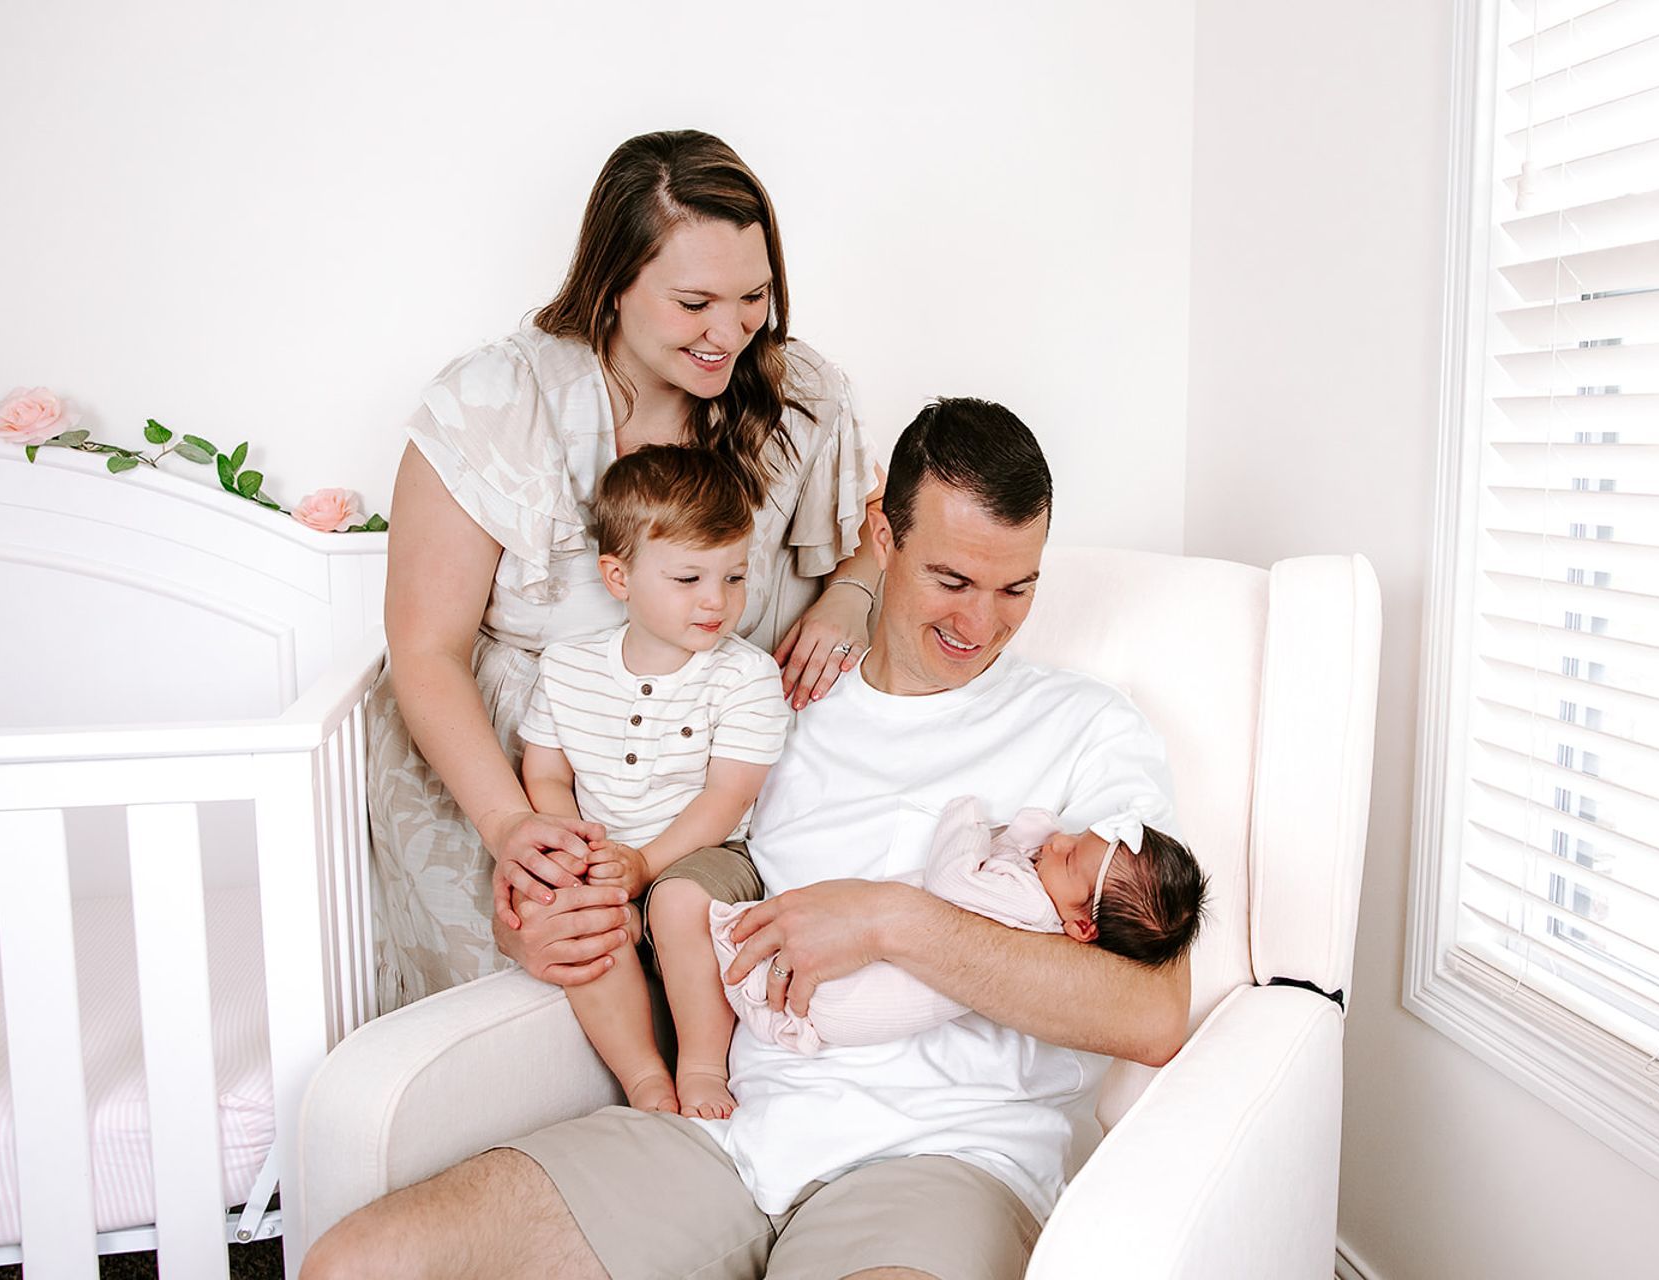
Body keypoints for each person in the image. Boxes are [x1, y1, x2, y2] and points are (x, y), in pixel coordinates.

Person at [306, 399, 1192, 1280]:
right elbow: (646, 877)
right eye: (953, 581)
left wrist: (891, 921)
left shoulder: (1090, 730)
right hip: (727, 1133)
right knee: (356, 1264)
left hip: (946, 1162)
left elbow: (1149, 1015)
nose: (982, 624)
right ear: (883, 538)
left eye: (1018, 590)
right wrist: (542, 922)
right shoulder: (760, 706)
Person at [367, 130, 884, 1012]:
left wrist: (849, 594)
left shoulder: (799, 396)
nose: (731, 332)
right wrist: (513, 826)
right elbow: (424, 650)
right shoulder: (496, 404)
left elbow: (870, 538)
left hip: (713, 790)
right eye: (694, 303)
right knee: (556, 993)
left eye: (755, 295)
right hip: (525, 781)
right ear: (612, 286)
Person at [520, 446, 789, 1119]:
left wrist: (647, 862)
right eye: (690, 578)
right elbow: (547, 771)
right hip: (609, 854)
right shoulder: (568, 667)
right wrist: (576, 846)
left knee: (676, 905)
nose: (717, 601)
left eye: (734, 577)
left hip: (706, 857)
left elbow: (728, 796)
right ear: (619, 577)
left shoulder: (744, 676)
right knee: (576, 914)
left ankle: (700, 1068)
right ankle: (644, 1078)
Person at [711, 795, 1207, 1054]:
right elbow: (1031, 835)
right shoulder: (1051, 905)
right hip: (841, 1004)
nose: (1057, 843)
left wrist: (964, 818)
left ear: (1082, 928)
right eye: (1075, 835)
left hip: (841, 998)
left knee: (714, 942)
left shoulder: (1030, 904)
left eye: (1071, 856)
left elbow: (952, 879)